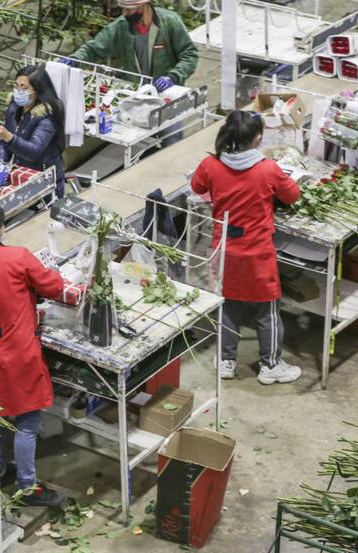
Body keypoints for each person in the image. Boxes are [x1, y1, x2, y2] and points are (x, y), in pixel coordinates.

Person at [0, 199, 82, 506]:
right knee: (27, 424)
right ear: (1, 228)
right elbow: (54, 287)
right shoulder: (17, 258)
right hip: (20, 353)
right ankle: (28, 487)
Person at [191, 111, 303, 385]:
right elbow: (292, 195)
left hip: (224, 249)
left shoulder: (211, 164)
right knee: (267, 308)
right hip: (256, 252)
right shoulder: (267, 168)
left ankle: (227, 361)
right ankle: (271, 365)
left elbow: (197, 186)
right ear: (258, 138)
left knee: (227, 303)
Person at [69, 0, 198, 146]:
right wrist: (75, 59)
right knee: (134, 141)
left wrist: (173, 76)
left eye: (129, 10)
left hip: (166, 95)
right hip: (136, 96)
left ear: (144, 6)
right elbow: (93, 48)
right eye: (123, 9)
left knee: (172, 137)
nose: (124, 14)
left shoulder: (169, 22)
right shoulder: (121, 26)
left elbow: (190, 55)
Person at [0, 65, 67, 199]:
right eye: (17, 86)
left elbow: (33, 151)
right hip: (21, 172)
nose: (19, 91)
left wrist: (8, 137)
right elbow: (4, 142)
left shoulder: (47, 115)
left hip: (44, 177)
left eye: (24, 87)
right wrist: (1, 164)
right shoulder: (14, 107)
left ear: (38, 90)